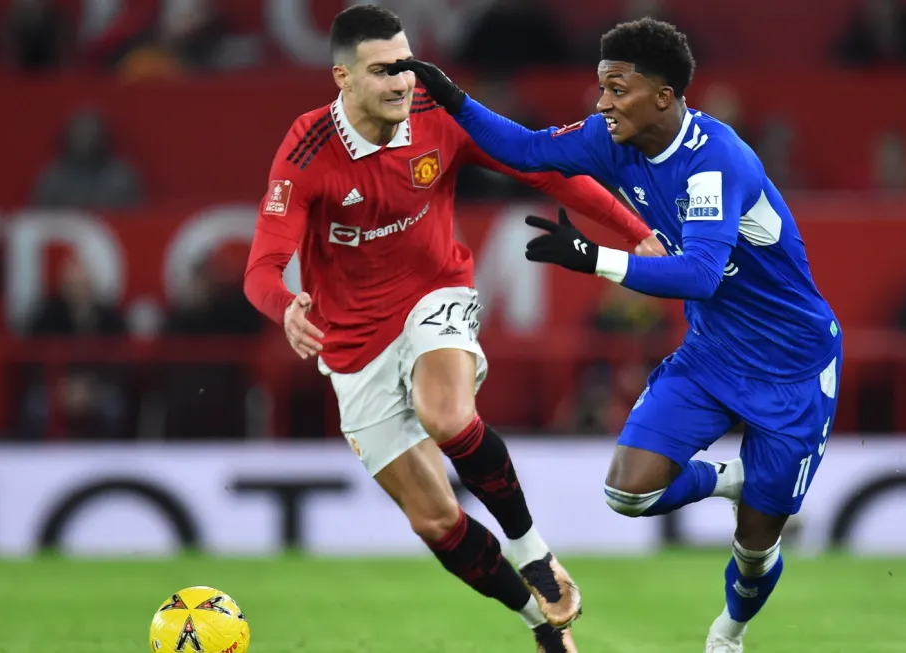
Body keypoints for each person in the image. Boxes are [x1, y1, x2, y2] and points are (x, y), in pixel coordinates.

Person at [388, 17, 842, 653]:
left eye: (616, 89)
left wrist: (593, 256)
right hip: (712, 355)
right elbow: (526, 150)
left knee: (755, 553)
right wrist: (457, 100)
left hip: (793, 365)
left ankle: (729, 632)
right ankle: (733, 479)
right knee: (626, 494)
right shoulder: (611, 138)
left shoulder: (717, 161)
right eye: (600, 86)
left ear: (663, 96)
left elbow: (701, 274)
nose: (601, 103)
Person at [243, 6, 661, 652]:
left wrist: (635, 232)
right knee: (435, 519)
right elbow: (261, 267)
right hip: (352, 344)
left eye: (406, 66)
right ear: (342, 79)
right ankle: (541, 625)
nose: (402, 83)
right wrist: (285, 306)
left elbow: (544, 171)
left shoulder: (438, 115)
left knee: (444, 413)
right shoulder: (306, 151)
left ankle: (534, 552)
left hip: (434, 294)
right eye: (383, 71)